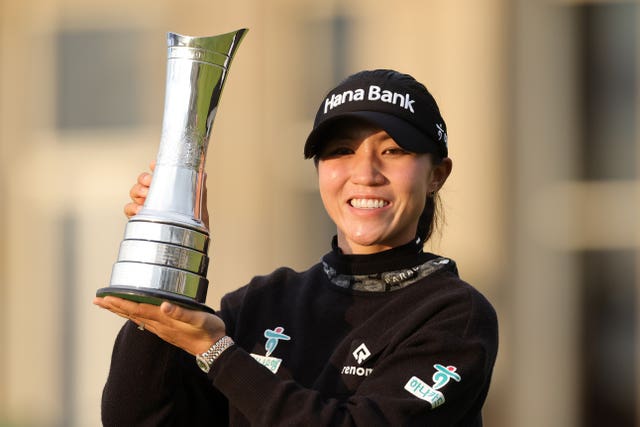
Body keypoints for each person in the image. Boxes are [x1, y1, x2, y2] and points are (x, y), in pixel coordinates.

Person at [94, 69, 499, 426]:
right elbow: (139, 418)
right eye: (341, 151)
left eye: (392, 150)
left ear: (437, 175)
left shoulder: (454, 316)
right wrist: (176, 256)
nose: (365, 173)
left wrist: (217, 352)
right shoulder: (263, 302)